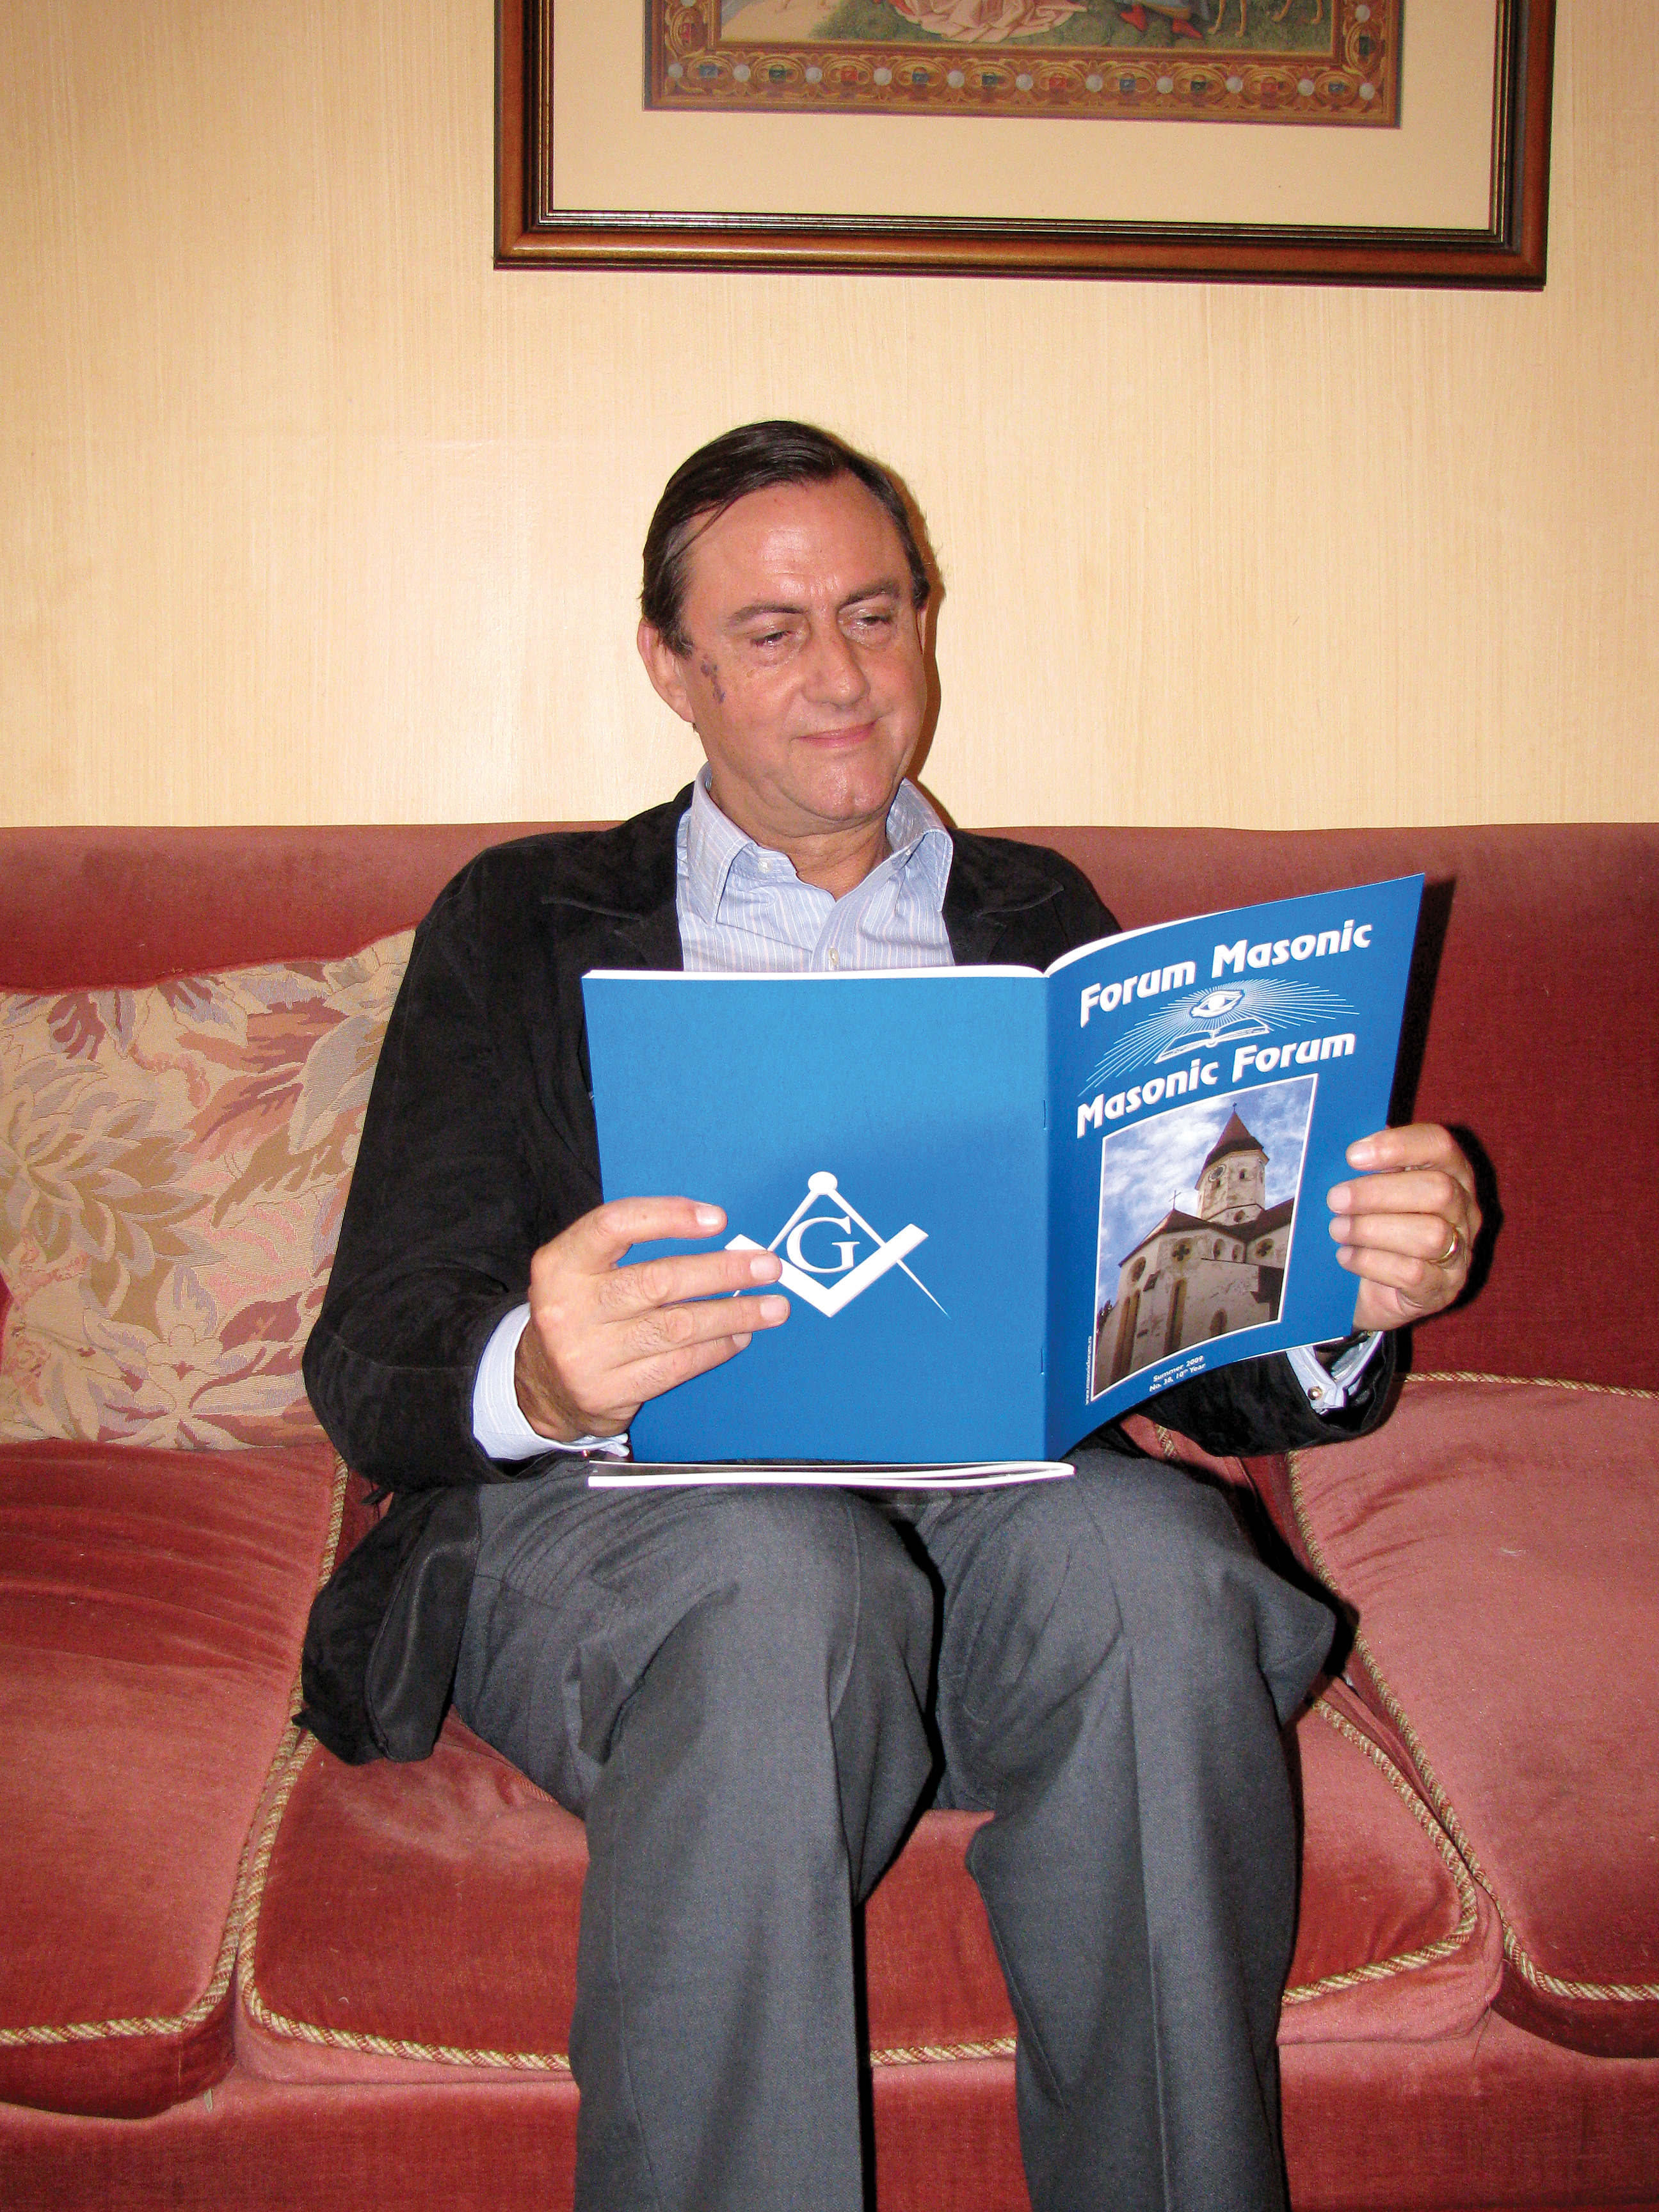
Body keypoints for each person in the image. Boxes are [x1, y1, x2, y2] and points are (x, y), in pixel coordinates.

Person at [301, 421, 1480, 2212]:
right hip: (625, 1538)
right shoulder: (522, 918)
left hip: (992, 1519)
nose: (845, 678)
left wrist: (1346, 1290)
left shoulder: (1042, 918)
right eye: (771, 633)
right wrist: (538, 1371)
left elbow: (1180, 1335)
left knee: (1160, 1575)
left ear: (926, 621)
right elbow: (374, 1347)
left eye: (875, 613)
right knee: (786, 1581)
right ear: (671, 669)